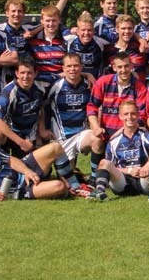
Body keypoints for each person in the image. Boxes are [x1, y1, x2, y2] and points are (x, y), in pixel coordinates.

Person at [88, 101, 149, 202]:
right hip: (122, 182)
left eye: (133, 113)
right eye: (126, 114)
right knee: (104, 163)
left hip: (143, 179)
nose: (129, 117)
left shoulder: (145, 135)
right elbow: (111, 167)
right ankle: (99, 192)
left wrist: (148, 165)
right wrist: (129, 171)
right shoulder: (114, 141)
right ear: (120, 116)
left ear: (138, 115)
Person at [46, 53, 99, 198]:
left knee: (97, 139)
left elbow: (96, 107)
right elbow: (42, 106)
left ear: (81, 67)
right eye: (69, 66)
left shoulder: (89, 85)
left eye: (76, 66)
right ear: (63, 68)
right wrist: (43, 129)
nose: (72, 69)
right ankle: (75, 174)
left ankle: (94, 179)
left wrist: (96, 126)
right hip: (61, 139)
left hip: (81, 134)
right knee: (68, 183)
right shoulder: (55, 85)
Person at [0, 57, 50, 158]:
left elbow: (40, 107)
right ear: (17, 73)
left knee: (38, 165)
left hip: (30, 133)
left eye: (29, 73)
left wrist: (42, 129)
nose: (25, 76)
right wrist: (21, 142)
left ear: (35, 73)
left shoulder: (41, 87)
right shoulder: (9, 91)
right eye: (22, 73)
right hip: (11, 133)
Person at [87, 52, 149, 138]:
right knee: (94, 140)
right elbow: (92, 107)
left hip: (130, 133)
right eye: (120, 67)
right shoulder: (103, 82)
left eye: (126, 66)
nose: (123, 70)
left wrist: (124, 132)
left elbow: (143, 115)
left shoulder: (140, 87)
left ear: (131, 66)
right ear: (114, 67)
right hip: (104, 133)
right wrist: (96, 127)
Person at [28, 5, 68, 89]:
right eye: (47, 21)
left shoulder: (66, 39)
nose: (51, 24)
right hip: (39, 82)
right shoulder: (32, 39)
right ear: (42, 21)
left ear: (59, 20)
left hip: (61, 81)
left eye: (54, 20)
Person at [105, 14, 149, 81]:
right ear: (117, 29)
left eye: (130, 28)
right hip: (116, 87)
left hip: (140, 86)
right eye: (123, 28)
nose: (127, 31)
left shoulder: (142, 47)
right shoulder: (108, 50)